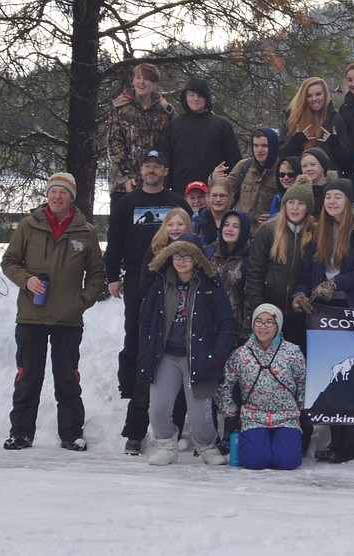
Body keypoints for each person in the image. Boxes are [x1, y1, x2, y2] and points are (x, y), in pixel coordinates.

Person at [0, 172, 104, 451]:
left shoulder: (87, 232)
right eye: (53, 192)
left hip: (68, 320)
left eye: (63, 192)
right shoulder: (28, 225)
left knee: (68, 378)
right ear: (47, 195)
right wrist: (26, 279)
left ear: (72, 197)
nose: (57, 197)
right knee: (27, 376)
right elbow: (9, 261)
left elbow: (96, 275)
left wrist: (81, 302)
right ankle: (21, 432)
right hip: (31, 317)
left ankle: (71, 434)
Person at [104, 150, 191, 455]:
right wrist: (112, 275)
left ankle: (174, 420)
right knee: (138, 340)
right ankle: (131, 393)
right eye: (147, 165)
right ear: (140, 170)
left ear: (165, 170)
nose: (151, 170)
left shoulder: (176, 202)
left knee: (175, 349)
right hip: (139, 277)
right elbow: (113, 240)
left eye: (156, 165)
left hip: (178, 280)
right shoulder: (127, 203)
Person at [293, 179, 354, 464]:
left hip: (351, 309)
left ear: (348, 200)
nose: (331, 202)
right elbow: (306, 275)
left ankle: (350, 443)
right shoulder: (317, 232)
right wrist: (301, 293)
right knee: (330, 377)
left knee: (351, 378)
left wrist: (336, 282)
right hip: (323, 313)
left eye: (337, 197)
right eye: (328, 197)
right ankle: (335, 439)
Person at [139, 234, 236, 466]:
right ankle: (166, 444)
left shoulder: (210, 287)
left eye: (187, 256)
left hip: (199, 357)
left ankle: (207, 446)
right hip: (165, 357)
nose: (181, 261)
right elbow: (146, 322)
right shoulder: (161, 284)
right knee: (159, 409)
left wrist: (216, 357)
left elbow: (226, 323)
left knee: (200, 414)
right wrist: (145, 352)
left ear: (197, 260)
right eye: (176, 255)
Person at [218, 304, 307, 470]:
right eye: (258, 322)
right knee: (255, 462)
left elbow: (302, 382)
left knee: (287, 462)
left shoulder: (292, 352)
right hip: (253, 417)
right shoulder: (241, 354)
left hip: (286, 416)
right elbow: (224, 385)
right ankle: (263, 448)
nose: (263, 327)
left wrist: (303, 408)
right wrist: (230, 414)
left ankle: (279, 447)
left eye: (269, 322)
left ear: (277, 325)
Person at [245, 180, 315, 374]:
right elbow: (255, 272)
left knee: (296, 364)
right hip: (271, 309)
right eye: (291, 202)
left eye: (300, 203)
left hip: (300, 313)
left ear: (308, 208)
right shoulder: (268, 230)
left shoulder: (314, 232)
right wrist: (259, 310)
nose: (295, 208)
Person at [107, 63, 177, 206]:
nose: (141, 82)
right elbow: (114, 145)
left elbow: (172, 147)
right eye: (138, 78)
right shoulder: (120, 108)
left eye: (146, 79)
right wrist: (127, 177)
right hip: (123, 186)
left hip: (155, 185)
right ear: (133, 81)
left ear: (154, 83)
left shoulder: (166, 112)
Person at [157, 78, 241, 193]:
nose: (195, 99)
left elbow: (235, 161)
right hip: (181, 193)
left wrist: (233, 192)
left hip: (214, 193)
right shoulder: (174, 126)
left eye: (200, 95)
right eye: (191, 95)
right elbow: (165, 160)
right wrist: (164, 190)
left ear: (206, 98)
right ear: (185, 97)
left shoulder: (222, 126)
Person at [214, 128, 282, 226]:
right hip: (240, 229)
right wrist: (214, 178)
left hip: (265, 232)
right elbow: (224, 190)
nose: (259, 150)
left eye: (264, 146)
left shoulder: (283, 171)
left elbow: (289, 203)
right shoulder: (244, 166)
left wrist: (276, 217)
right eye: (256, 145)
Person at [203, 210, 251, 344]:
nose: (229, 229)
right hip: (207, 323)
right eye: (226, 225)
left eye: (236, 226)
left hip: (234, 327)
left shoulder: (250, 258)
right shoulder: (208, 252)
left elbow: (249, 299)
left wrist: (244, 333)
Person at [279, 76, 347, 164]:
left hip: (328, 175)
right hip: (301, 175)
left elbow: (346, 157)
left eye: (318, 94)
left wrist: (336, 144)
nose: (314, 98)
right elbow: (281, 154)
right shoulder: (294, 119)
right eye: (309, 96)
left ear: (325, 94)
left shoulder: (336, 119)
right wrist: (295, 142)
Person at [196, 180, 235, 246]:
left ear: (230, 198)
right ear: (207, 198)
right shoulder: (197, 221)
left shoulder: (238, 222)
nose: (218, 200)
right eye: (214, 195)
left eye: (222, 196)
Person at [298, 148, 335, 218]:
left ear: (323, 167)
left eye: (313, 164)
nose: (308, 169)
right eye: (304, 166)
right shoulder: (299, 191)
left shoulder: (333, 190)